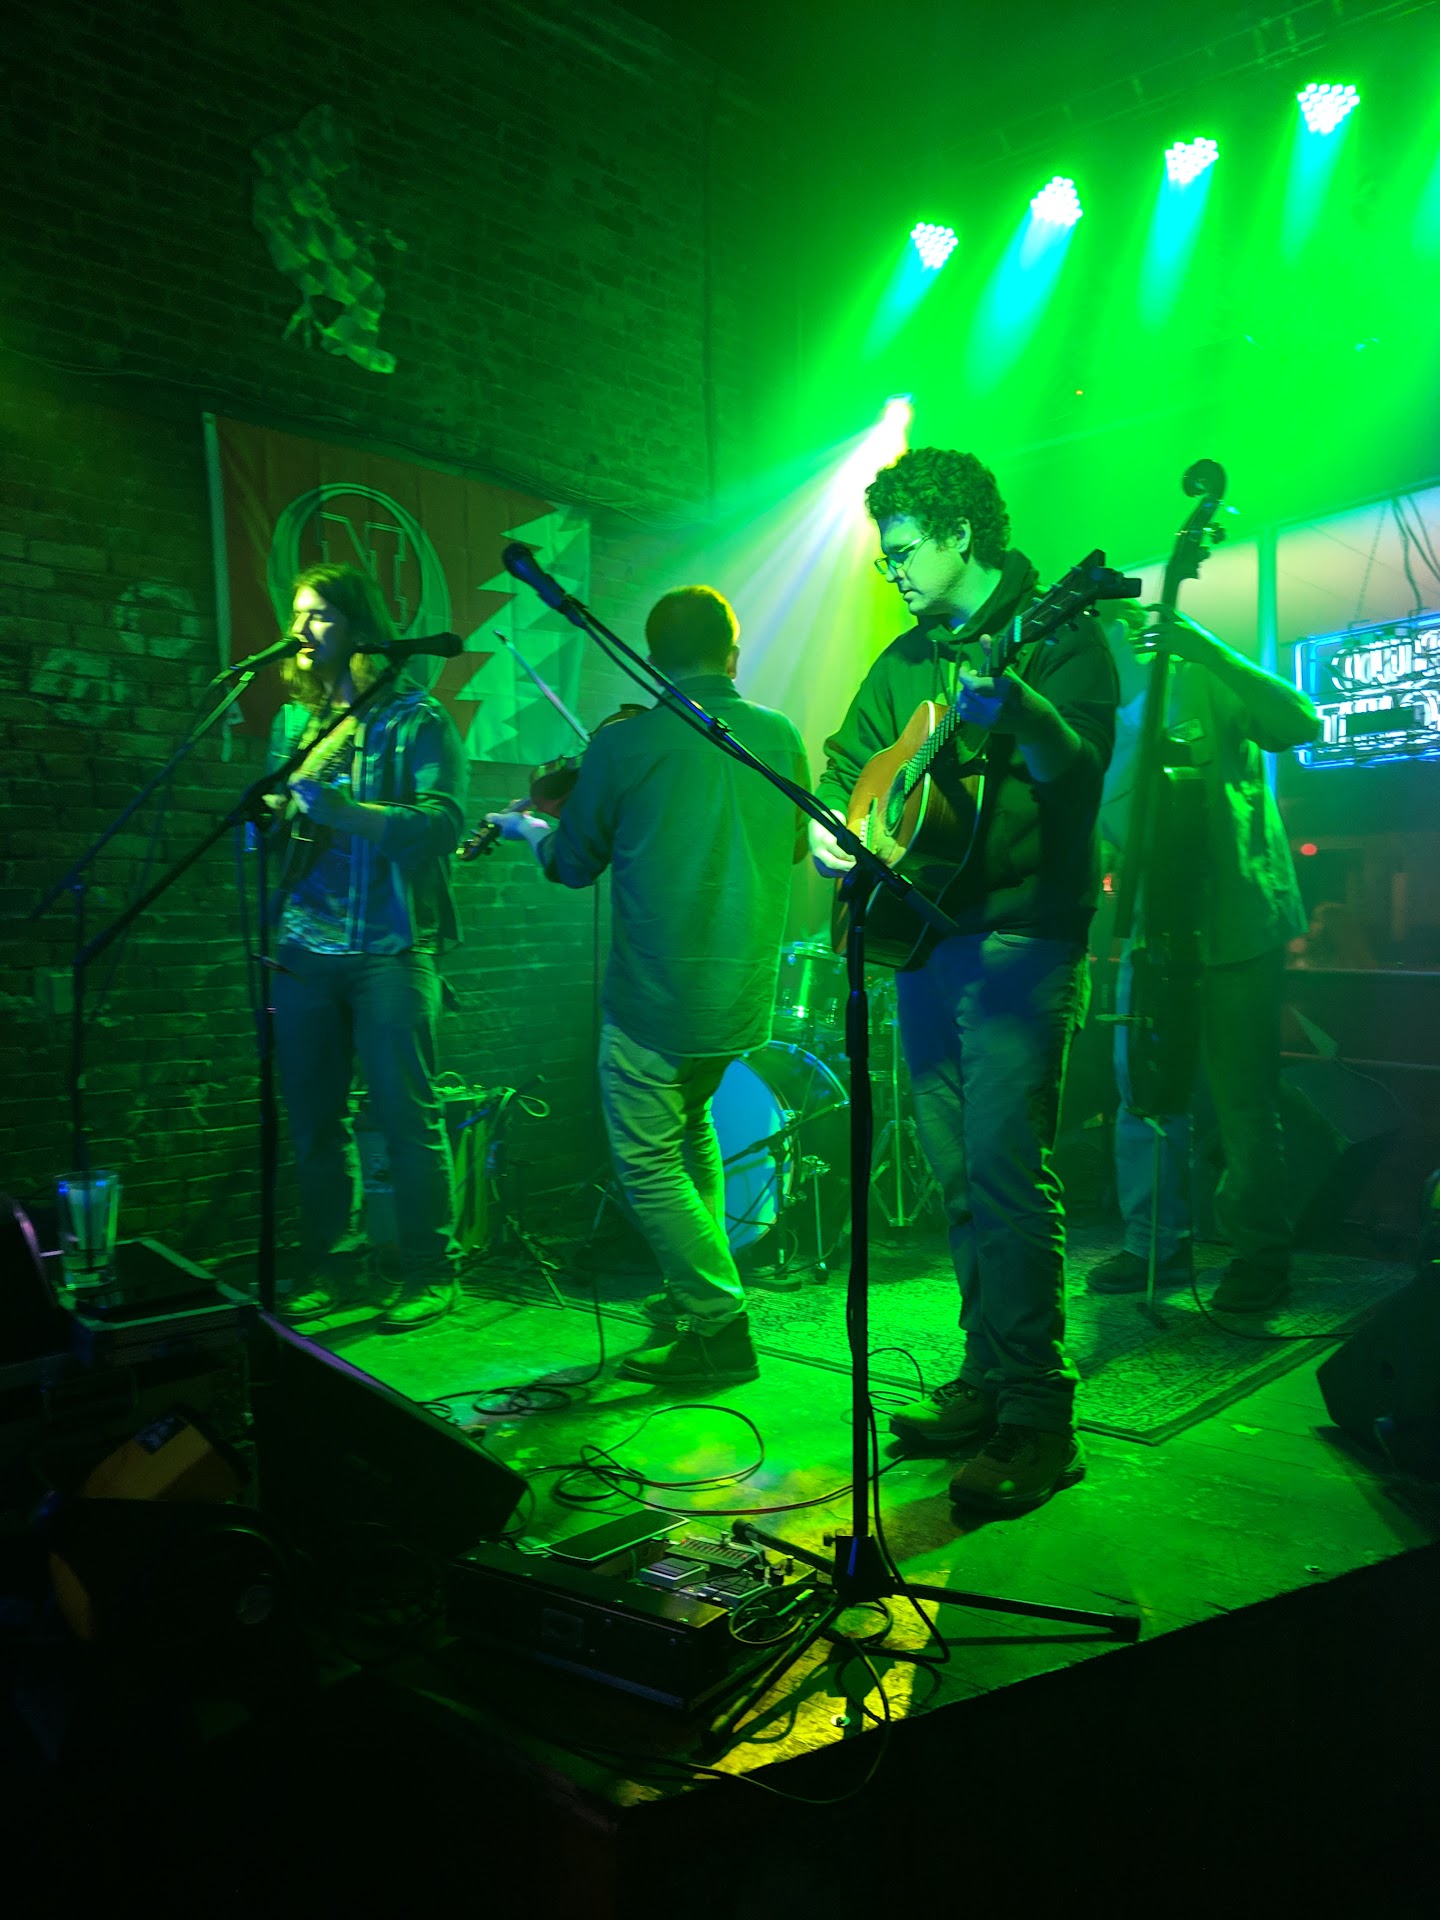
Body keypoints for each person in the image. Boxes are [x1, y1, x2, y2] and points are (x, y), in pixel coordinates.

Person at [810, 446, 1118, 1514]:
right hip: (921, 938)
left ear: (959, 534)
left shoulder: (1064, 635)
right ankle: (987, 1374)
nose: (891, 568)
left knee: (1006, 1172)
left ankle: (1039, 1415)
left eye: (903, 549)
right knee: (955, 1176)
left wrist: (1025, 713)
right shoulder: (905, 658)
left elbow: (1081, 776)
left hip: (1023, 941)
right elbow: (845, 765)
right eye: (886, 552)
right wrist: (839, 830)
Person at [487, 585, 809, 1386]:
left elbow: (572, 864)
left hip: (656, 999)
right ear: (733, 655)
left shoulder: (626, 745)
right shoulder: (779, 734)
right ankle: (697, 1293)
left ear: (653, 659)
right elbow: (796, 848)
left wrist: (532, 828)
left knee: (648, 1163)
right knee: (691, 1129)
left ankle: (719, 1328)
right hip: (741, 994)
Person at [1087, 602, 1321, 1311]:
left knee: (1243, 1099)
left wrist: (1212, 650)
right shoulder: (1093, 711)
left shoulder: (1198, 676)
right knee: (1143, 1090)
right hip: (1151, 931)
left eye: (1114, 623)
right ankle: (1155, 1243)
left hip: (1234, 923)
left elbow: (1301, 724)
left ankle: (1261, 1255)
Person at [265, 561, 466, 1332]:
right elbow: (275, 825)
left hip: (391, 943)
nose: (302, 628)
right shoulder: (297, 725)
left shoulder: (419, 719)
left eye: (319, 613)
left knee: (405, 1114)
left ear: (358, 624)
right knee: (315, 1119)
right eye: (297, 613)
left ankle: (429, 1270)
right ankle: (333, 1265)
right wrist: (278, 813)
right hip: (305, 944)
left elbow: (443, 823)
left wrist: (351, 815)